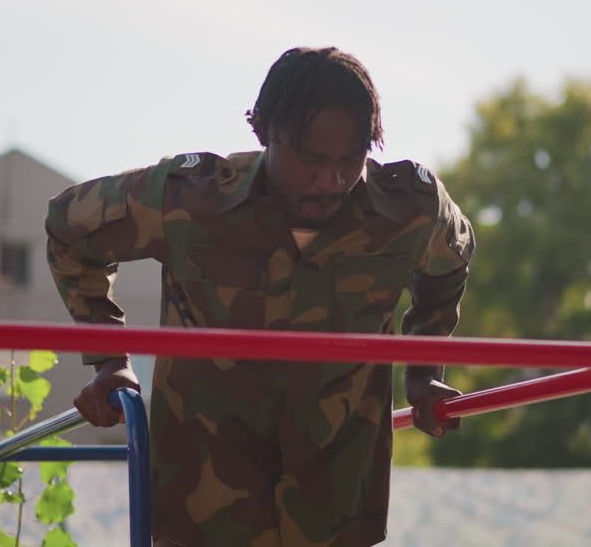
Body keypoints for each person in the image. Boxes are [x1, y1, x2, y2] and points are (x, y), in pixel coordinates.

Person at [46, 46, 475, 547]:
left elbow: (453, 259)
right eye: (311, 160)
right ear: (264, 133)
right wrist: (108, 362)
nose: (331, 180)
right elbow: (68, 228)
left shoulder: (410, 208)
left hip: (335, 514)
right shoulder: (188, 200)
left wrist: (424, 371)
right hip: (204, 513)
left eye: (350, 160)